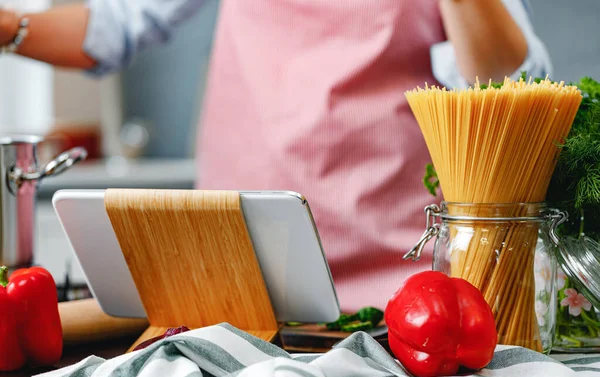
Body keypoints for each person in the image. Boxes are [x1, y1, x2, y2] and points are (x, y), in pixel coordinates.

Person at [0, 0, 551, 312]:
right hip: (234, 275)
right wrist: (8, 26)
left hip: (398, 290)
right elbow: (115, 24)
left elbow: (514, 80)